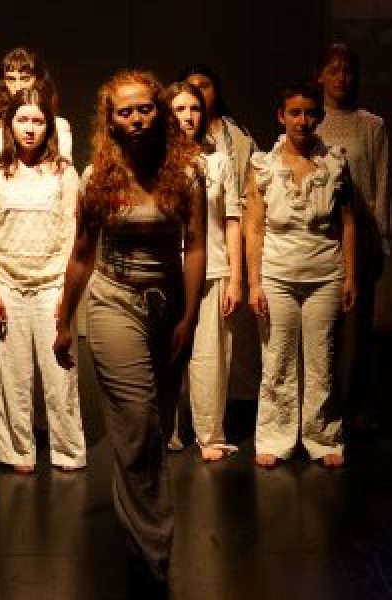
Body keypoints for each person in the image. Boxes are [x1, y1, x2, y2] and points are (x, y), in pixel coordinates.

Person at [53, 70, 206, 584]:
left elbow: (196, 248)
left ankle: (137, 528)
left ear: (159, 111)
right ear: (111, 120)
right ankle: (153, 547)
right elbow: (81, 255)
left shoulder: (186, 175)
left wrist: (189, 316)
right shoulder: (97, 178)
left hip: (168, 304)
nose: (137, 118)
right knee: (137, 419)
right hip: (113, 300)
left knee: (152, 426)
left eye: (145, 108)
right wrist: (63, 321)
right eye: (126, 111)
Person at [244, 83, 356, 469]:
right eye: (295, 113)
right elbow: (253, 227)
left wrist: (350, 276)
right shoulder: (263, 165)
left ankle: (323, 437)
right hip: (277, 274)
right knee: (277, 357)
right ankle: (275, 437)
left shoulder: (335, 163)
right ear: (282, 116)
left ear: (319, 116)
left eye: (310, 113)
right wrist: (254, 282)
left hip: (325, 273)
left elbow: (347, 222)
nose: (303, 121)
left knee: (322, 359)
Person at [0, 86, 86, 474]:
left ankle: (68, 450)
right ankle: (17, 450)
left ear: (49, 127)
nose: (29, 128)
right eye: (22, 119)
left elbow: (73, 234)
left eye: (38, 121)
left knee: (60, 373)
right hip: (8, 282)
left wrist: (65, 292)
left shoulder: (64, 172)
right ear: (10, 124)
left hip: (52, 284)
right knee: (12, 374)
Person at [164, 81, 242, 461]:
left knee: (210, 357)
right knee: (165, 355)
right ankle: (167, 431)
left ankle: (209, 434)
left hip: (212, 269)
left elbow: (232, 220)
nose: (187, 116)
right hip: (166, 271)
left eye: (194, 108)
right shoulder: (159, 165)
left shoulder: (219, 162)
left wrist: (236, 278)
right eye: (179, 109)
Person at [314, 42, 390, 432]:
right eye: (333, 70)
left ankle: (357, 408)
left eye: (348, 70)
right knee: (323, 327)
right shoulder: (311, 121)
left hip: (360, 238)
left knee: (357, 327)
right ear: (319, 77)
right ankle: (324, 408)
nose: (341, 77)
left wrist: (382, 240)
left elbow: (380, 186)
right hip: (320, 237)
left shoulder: (371, 126)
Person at [0, 47, 72, 166]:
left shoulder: (59, 125)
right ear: (3, 83)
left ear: (38, 81)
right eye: (11, 79)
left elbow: (64, 169)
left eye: (25, 79)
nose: (18, 86)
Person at [179, 64, 256, 202]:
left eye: (204, 86)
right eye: (191, 87)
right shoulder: (176, 136)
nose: (198, 91)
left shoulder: (239, 134)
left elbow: (254, 182)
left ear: (215, 91)